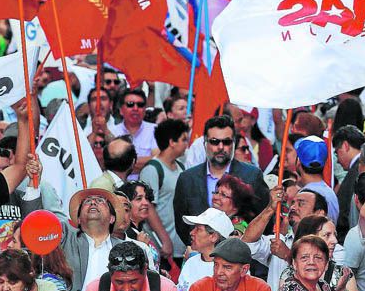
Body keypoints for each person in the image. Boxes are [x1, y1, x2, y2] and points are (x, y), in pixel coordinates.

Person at [174, 116, 268, 246]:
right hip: (200, 257)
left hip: (242, 259)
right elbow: (182, 225)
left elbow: (264, 220)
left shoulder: (252, 176)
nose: (221, 147)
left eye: (227, 142)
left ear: (233, 143)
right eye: (214, 141)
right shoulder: (187, 179)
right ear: (205, 143)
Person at [56, 188, 126, 291]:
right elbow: (37, 228)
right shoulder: (66, 236)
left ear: (112, 218)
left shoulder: (125, 248)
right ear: (78, 219)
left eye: (100, 201)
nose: (93, 202)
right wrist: (34, 188)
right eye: (87, 201)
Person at [288, 215, 361, 291]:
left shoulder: (343, 274)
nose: (335, 241)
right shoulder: (290, 274)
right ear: (309, 238)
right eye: (327, 235)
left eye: (335, 235)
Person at [139, 118, 189, 258]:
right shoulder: (152, 170)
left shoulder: (181, 167)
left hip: (180, 246)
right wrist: (165, 240)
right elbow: (148, 207)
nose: (187, 144)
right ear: (172, 142)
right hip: (161, 247)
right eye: (183, 139)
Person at [178, 208, 235, 291]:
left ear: (213, 237)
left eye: (198, 229)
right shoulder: (190, 263)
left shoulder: (233, 270)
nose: (191, 233)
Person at [108, 88, 157, 172]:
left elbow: (157, 162)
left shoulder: (155, 130)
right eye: (130, 104)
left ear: (145, 109)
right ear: (121, 110)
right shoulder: (111, 131)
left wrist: (122, 163)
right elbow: (110, 164)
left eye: (140, 105)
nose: (135, 108)